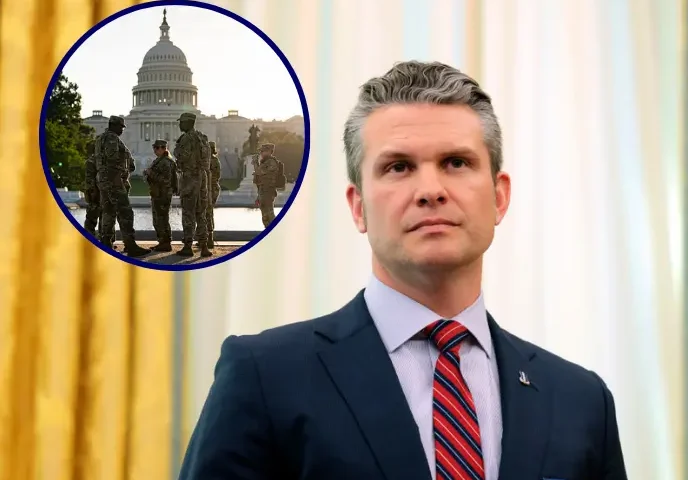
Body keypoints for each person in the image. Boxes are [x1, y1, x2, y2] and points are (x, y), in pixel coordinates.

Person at [179, 61, 628, 480]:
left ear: (499, 196)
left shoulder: (581, 401)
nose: (430, 190)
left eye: (456, 162)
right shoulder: (265, 376)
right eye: (399, 167)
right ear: (358, 208)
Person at [95, 115, 149, 256]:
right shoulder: (112, 139)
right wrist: (123, 171)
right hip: (114, 180)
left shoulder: (100, 138)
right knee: (125, 212)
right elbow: (112, 158)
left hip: (103, 180)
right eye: (121, 127)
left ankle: (105, 243)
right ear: (114, 125)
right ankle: (130, 245)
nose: (122, 130)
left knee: (108, 212)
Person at [173, 112, 212, 257]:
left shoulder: (186, 139)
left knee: (188, 212)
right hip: (202, 178)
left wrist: (177, 153)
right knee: (200, 213)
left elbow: (181, 156)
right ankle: (204, 246)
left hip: (190, 178)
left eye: (181, 122)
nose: (179, 125)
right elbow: (207, 159)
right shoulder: (202, 138)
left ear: (188, 123)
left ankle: (188, 246)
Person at [143, 139, 177, 252]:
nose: (155, 150)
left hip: (163, 195)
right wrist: (148, 174)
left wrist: (150, 173)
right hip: (157, 193)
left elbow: (166, 180)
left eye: (157, 148)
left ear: (163, 148)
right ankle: (162, 242)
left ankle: (166, 243)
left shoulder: (166, 162)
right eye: (154, 147)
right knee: (158, 219)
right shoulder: (159, 160)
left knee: (162, 219)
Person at [252, 142, 285, 228]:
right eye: (261, 151)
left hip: (268, 191)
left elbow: (259, 172)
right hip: (263, 190)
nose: (261, 153)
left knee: (269, 214)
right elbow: (259, 178)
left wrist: (255, 162)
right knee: (265, 216)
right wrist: (258, 196)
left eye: (263, 151)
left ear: (270, 151)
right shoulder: (264, 162)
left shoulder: (271, 162)